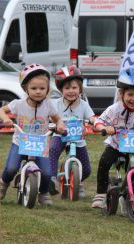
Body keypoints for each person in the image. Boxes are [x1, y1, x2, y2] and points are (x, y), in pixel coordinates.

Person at [91, 68, 134, 209]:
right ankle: (101, 193)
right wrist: (104, 128)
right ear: (122, 93)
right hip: (115, 145)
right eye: (130, 94)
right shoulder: (114, 109)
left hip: (132, 148)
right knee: (104, 163)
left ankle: (131, 197)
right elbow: (98, 121)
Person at [0, 64, 65, 206]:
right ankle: (3, 185)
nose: (38, 92)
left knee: (47, 173)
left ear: (47, 89)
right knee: (11, 168)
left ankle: (44, 192)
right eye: (34, 88)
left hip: (41, 143)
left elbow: (58, 119)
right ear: (25, 89)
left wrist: (59, 125)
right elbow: (0, 110)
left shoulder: (49, 105)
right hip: (20, 141)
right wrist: (6, 119)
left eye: (42, 88)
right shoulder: (18, 104)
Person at [49, 66, 96, 198]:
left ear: (80, 89)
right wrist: (51, 124)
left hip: (77, 139)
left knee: (86, 170)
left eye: (74, 88)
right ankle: (52, 179)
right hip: (60, 135)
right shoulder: (56, 104)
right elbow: (49, 116)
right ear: (61, 90)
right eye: (67, 88)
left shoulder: (84, 105)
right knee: (52, 150)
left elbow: (91, 117)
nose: (71, 91)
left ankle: (78, 181)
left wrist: (95, 122)